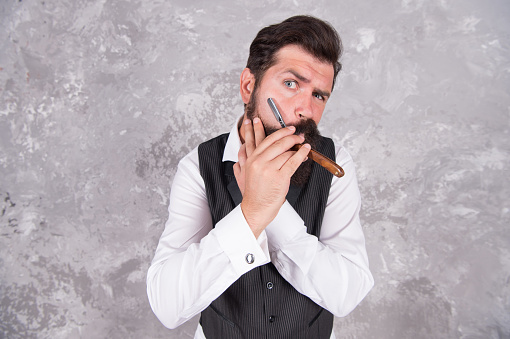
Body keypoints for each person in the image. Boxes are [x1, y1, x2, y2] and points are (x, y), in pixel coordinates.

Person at [147, 15, 374, 339]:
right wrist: (251, 215)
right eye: (291, 83)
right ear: (248, 86)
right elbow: (166, 305)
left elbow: (347, 293)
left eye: (319, 95)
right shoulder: (199, 166)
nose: (304, 109)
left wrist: (273, 209)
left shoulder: (337, 166)